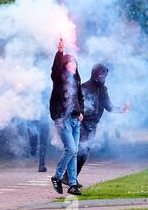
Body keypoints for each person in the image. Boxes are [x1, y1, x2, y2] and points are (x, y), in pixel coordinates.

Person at [62, 63, 129, 186]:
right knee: (79, 151)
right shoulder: (83, 87)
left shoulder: (103, 89)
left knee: (84, 153)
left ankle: (70, 177)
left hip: (93, 125)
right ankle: (69, 177)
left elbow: (109, 106)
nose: (103, 78)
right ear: (94, 75)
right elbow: (73, 104)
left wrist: (121, 109)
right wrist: (77, 115)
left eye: (104, 76)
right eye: (101, 76)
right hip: (81, 123)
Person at [49, 38, 84, 196]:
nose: (75, 65)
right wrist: (60, 51)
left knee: (74, 151)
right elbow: (55, 68)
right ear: (65, 64)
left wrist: (81, 111)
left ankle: (73, 184)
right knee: (70, 149)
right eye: (72, 63)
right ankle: (57, 177)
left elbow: (80, 97)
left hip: (75, 119)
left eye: (75, 63)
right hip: (62, 119)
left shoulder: (76, 79)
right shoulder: (58, 77)